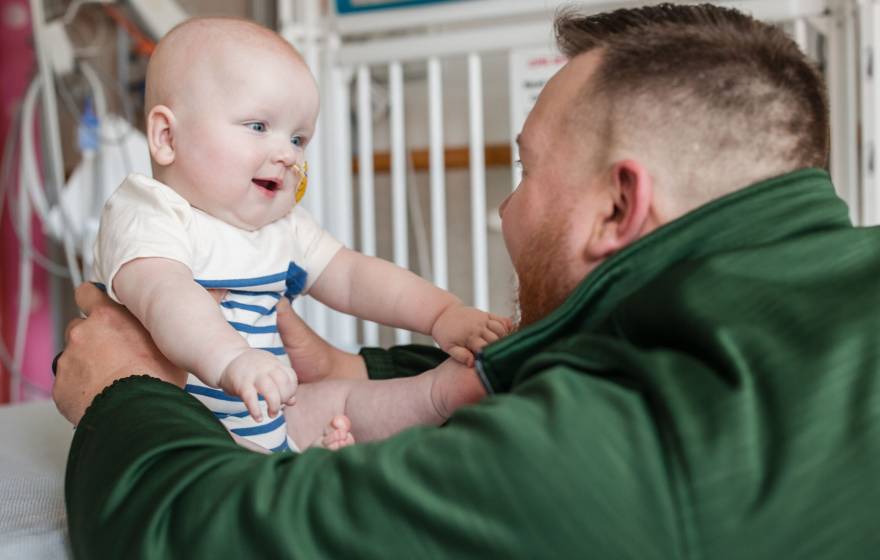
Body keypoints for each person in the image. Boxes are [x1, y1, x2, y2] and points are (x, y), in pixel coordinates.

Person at [55, 3, 880, 558]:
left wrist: (122, 391)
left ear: (619, 204)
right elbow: (573, 356)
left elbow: (208, 535)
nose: (503, 209)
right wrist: (365, 374)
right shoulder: (800, 298)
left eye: (522, 173)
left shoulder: (656, 452)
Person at [91, 17, 509, 452]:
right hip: (181, 432)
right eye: (258, 126)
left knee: (341, 399)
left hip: (270, 413)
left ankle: (436, 397)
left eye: (299, 138)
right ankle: (297, 468)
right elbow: (166, 295)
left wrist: (442, 315)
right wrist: (231, 359)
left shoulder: (282, 226)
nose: (288, 154)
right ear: (166, 136)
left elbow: (353, 276)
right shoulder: (152, 213)